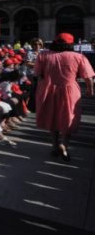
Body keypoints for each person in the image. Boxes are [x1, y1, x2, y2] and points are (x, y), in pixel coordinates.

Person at [34, 33, 95, 161]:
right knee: (68, 117)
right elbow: (88, 77)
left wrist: (41, 89)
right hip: (70, 89)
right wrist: (90, 90)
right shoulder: (78, 56)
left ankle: (54, 146)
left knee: (52, 117)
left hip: (48, 89)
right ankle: (64, 144)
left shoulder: (43, 55)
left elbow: (38, 75)